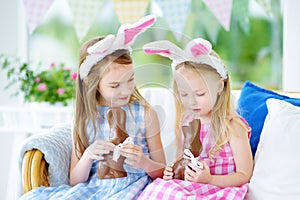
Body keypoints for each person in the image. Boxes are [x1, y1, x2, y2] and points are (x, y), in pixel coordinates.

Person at [19, 15, 166, 200]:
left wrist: (144, 163)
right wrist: (88, 155)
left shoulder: (145, 114)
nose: (126, 89)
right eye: (114, 85)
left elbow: (163, 172)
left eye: (131, 80)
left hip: (135, 189)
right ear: (92, 83)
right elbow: (75, 181)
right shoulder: (85, 119)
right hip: (95, 190)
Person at [138, 38, 253, 199]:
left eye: (200, 94)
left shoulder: (232, 126)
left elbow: (244, 174)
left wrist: (210, 179)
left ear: (219, 86)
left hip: (219, 189)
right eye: (184, 94)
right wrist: (174, 171)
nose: (191, 101)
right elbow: (182, 160)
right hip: (191, 187)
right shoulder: (186, 122)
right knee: (158, 188)